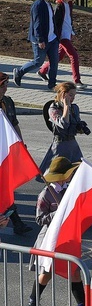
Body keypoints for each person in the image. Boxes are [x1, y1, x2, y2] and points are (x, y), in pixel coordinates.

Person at [26, 157, 85, 306]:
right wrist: (57, 214)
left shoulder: (70, 189)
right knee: (46, 273)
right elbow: (39, 219)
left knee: (74, 272)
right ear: (61, 176)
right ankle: (32, 304)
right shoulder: (45, 194)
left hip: (67, 237)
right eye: (68, 173)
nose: (71, 175)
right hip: (50, 238)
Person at [0, 72, 32, 235]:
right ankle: (16, 221)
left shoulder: (8, 102)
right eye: (3, 85)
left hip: (8, 151)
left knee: (7, 186)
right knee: (5, 188)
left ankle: (15, 220)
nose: (6, 88)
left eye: (6, 84)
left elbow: (14, 123)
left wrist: (20, 143)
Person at [38, 0, 86, 90]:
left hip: (68, 34)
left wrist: (72, 30)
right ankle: (77, 81)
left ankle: (42, 71)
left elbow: (68, 18)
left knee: (58, 57)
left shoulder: (69, 4)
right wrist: (57, 35)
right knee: (74, 56)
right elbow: (55, 22)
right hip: (62, 36)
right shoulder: (59, 6)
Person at [13, 0, 60, 90]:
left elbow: (51, 22)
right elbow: (37, 24)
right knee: (38, 62)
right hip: (41, 40)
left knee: (54, 62)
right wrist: (40, 40)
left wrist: (56, 37)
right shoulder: (38, 5)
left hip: (52, 39)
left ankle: (52, 84)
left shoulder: (48, 4)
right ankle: (19, 72)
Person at [39, 81, 87, 174]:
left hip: (72, 144)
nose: (73, 98)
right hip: (60, 145)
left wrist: (80, 128)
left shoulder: (75, 108)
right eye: (71, 95)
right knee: (57, 175)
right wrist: (66, 106)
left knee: (78, 174)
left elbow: (75, 124)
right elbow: (64, 124)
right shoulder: (53, 109)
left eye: (74, 95)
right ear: (63, 94)